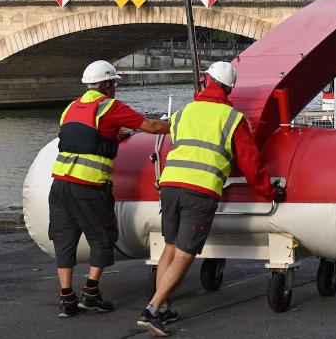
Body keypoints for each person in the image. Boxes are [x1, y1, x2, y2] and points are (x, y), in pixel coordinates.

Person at [137, 62, 283, 337]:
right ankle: (152, 310)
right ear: (229, 89)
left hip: (169, 184)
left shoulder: (184, 112)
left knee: (169, 247)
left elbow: (182, 142)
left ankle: (164, 305)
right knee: (184, 253)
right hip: (200, 190)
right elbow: (250, 163)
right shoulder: (231, 118)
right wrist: (270, 192)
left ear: (206, 81)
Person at [50, 60, 171, 318]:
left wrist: (115, 137)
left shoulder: (71, 107)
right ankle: (91, 293)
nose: (115, 88)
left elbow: (82, 138)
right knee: (103, 238)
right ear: (106, 85)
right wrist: (180, 127)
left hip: (60, 185)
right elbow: (149, 126)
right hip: (90, 186)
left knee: (64, 239)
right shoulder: (109, 106)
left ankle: (66, 298)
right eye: (113, 84)